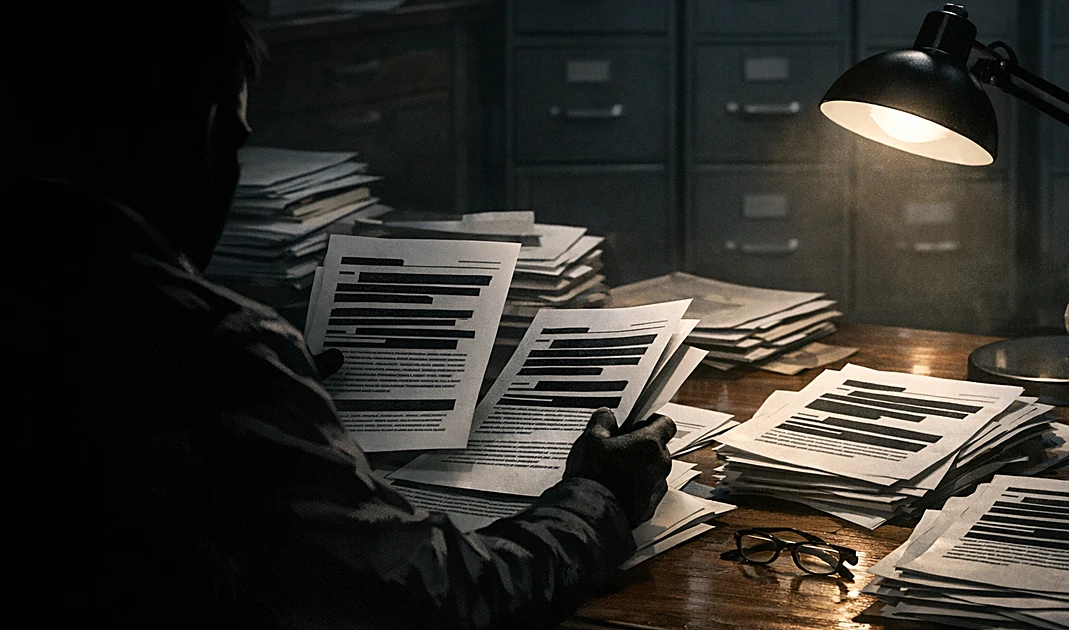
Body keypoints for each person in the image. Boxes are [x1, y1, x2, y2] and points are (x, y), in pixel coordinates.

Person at [2, 2, 676, 628]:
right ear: (203, 131)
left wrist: (284, 411)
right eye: (236, 143)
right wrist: (597, 499)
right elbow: (436, 598)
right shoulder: (208, 349)